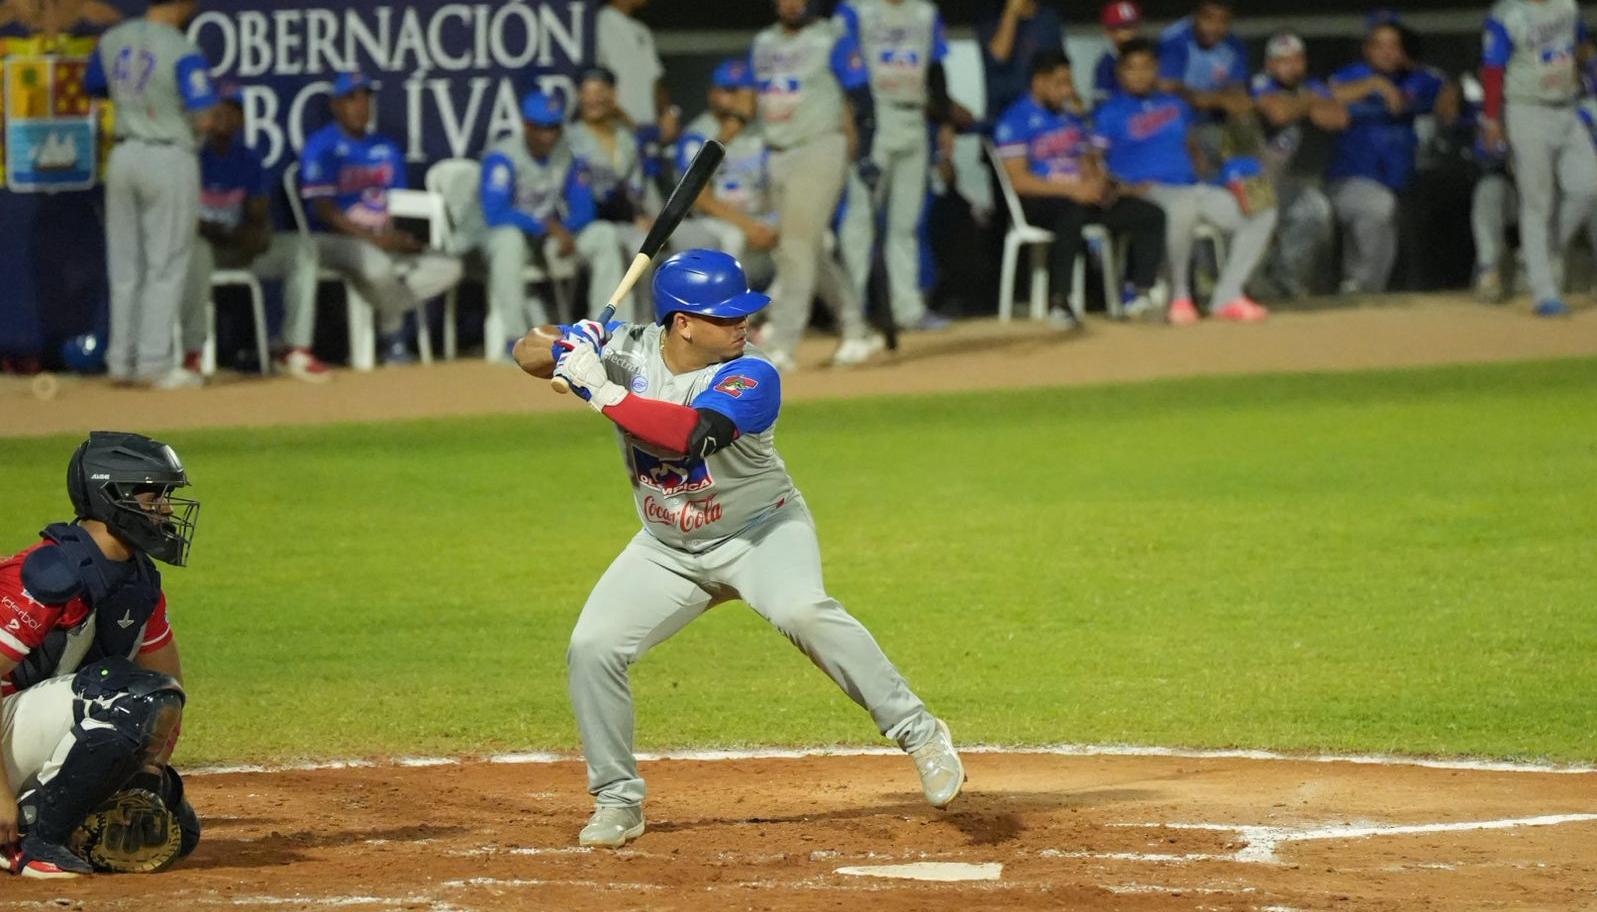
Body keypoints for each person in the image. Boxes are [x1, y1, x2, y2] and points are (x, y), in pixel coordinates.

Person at [510, 249, 966, 849]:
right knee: (592, 649)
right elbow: (526, 350)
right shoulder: (626, 349)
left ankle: (921, 733)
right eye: (726, 317)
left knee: (803, 611)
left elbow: (688, 440)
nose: (742, 326)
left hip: (761, 535)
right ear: (683, 324)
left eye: (743, 314)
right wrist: (572, 345)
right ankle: (618, 800)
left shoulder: (752, 375)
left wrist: (601, 393)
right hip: (669, 548)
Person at [0, 432, 201, 879]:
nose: (166, 510)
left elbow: (169, 692)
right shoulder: (48, 576)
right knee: (124, 696)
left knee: (175, 824)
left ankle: (49, 815)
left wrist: (144, 773)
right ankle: (36, 843)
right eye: (154, 497)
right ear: (113, 497)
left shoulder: (138, 581)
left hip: (24, 732)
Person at [84, 0, 216, 389]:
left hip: (123, 156)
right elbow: (205, 113)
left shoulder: (112, 39)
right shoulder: (181, 48)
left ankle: (121, 361)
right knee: (165, 265)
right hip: (168, 155)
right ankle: (154, 363)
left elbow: (94, 85)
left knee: (125, 266)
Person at [1096, 39, 1276, 324]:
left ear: (1156, 69)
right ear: (1120, 73)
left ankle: (1228, 294)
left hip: (1190, 186)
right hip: (1147, 190)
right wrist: (1122, 188)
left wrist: (1215, 179)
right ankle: (1179, 296)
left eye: (1146, 67)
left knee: (1262, 209)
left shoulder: (1176, 105)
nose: (1140, 74)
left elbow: (1191, 147)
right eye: (1132, 69)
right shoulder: (1108, 113)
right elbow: (1096, 160)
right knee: (1183, 207)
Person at [751, 0, 884, 371]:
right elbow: (754, 97)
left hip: (819, 147)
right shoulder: (763, 42)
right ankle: (856, 330)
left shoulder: (832, 37)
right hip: (776, 151)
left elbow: (862, 97)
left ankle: (781, 344)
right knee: (810, 249)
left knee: (795, 248)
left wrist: (867, 149)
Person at [299, 72, 463, 365]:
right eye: (352, 98)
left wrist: (403, 236)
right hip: (333, 240)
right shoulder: (321, 146)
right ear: (336, 105)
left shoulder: (386, 147)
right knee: (377, 267)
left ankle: (380, 302)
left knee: (449, 267)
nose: (361, 105)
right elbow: (323, 209)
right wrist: (375, 240)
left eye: (365, 98)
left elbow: (396, 203)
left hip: (381, 238)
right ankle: (392, 334)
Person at [995, 51, 1165, 325]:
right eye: (1060, 83)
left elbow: (1089, 164)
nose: (1068, 90)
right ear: (1039, 82)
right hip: (1041, 200)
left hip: (1081, 198)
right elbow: (1018, 181)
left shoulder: (1070, 118)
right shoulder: (1016, 118)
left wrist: (1102, 185)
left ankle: (1137, 292)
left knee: (1149, 213)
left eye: (1069, 83)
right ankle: (1059, 303)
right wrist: (1071, 191)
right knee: (1071, 214)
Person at [180, 83, 326, 383]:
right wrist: (230, 233)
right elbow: (186, 221)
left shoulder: (247, 158)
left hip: (236, 247)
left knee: (301, 249)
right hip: (202, 250)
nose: (225, 115)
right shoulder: (190, 155)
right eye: (219, 107)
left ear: (243, 119)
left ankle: (294, 350)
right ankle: (192, 355)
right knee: (197, 248)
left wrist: (257, 231)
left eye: (234, 110)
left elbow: (258, 211)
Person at [834, 0, 956, 332]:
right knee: (860, 218)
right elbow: (842, 67)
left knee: (906, 222)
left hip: (914, 115)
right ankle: (853, 312)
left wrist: (944, 122)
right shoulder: (855, 9)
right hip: (873, 117)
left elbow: (935, 67)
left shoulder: (925, 11)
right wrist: (852, 122)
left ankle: (908, 309)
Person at [480, 91, 625, 347]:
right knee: (508, 241)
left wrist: (563, 230)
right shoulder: (502, 156)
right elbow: (496, 213)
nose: (548, 135)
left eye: (554, 127)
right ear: (526, 125)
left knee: (604, 233)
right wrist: (545, 227)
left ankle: (608, 333)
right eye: (541, 128)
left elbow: (585, 209)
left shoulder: (566, 154)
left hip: (552, 239)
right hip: (509, 240)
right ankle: (513, 338)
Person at [1480, 0, 1597, 316]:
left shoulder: (1567, 6)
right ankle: (1544, 293)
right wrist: (1492, 120)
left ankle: (1534, 257)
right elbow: (1493, 70)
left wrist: (1584, 65)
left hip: (1567, 108)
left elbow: (1581, 45)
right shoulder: (1507, 14)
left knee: (1589, 185)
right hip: (1526, 110)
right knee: (1537, 203)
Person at [1324, 21, 1451, 294]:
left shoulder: (1416, 78)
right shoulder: (1354, 75)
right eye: (1379, 45)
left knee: (1388, 214)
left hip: (1399, 183)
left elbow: (1450, 89)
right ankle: (1358, 284)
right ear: (1367, 50)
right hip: (1349, 180)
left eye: (1394, 46)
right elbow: (1323, 95)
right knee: (1377, 207)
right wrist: (1375, 83)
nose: (1387, 52)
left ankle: (1365, 291)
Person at [1250, 32, 1347, 297]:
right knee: (1259, 225)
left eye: (1297, 60)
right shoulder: (1259, 82)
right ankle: (1247, 288)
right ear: (1270, 64)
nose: (1292, 67)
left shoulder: (1309, 87)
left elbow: (1338, 118)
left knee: (1315, 210)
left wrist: (1301, 103)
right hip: (1248, 181)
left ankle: (1288, 280)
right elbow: (1277, 113)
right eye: (1283, 61)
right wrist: (1310, 101)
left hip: (1280, 181)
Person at [567, 67, 657, 320]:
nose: (593, 99)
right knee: (607, 240)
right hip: (583, 225)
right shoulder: (569, 138)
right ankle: (608, 328)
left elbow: (636, 186)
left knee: (645, 243)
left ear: (613, 95)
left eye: (600, 91)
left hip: (620, 221)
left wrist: (640, 214)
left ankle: (643, 326)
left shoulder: (626, 137)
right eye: (587, 92)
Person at [1156, 0, 1252, 173]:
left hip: (1213, 123)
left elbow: (1238, 96)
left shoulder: (1234, 45)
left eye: (1222, 21)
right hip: (1175, 124)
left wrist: (1225, 102)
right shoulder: (1175, 40)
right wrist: (1217, 99)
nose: (1214, 27)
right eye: (1208, 18)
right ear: (1195, 16)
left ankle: (1247, 184)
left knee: (1246, 127)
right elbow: (1168, 90)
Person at [594, 0, 679, 144]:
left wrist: (668, 114)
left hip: (650, 131)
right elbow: (597, 85)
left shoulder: (641, 30)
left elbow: (655, 80)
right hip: (616, 131)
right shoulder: (599, 24)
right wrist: (628, 124)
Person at [978, 0, 1064, 122]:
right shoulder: (989, 16)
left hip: (1045, 115)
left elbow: (1060, 66)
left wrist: (1068, 96)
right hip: (1003, 115)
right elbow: (997, 58)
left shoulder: (1048, 17)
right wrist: (1012, 12)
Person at [1092, 0, 1144, 108]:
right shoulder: (1106, 64)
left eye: (1132, 27)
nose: (1130, 33)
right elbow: (1101, 104)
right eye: (1123, 28)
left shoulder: (1148, 55)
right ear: (1108, 32)